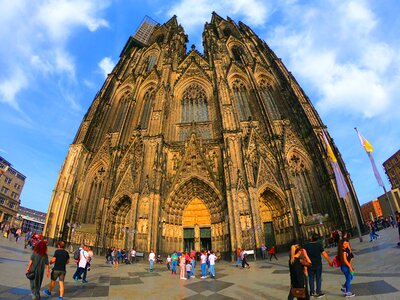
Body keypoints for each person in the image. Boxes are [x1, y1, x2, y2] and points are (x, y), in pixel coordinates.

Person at [303, 233, 333, 298]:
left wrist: (305, 266)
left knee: (311, 278)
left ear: (311, 238)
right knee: (318, 278)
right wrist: (329, 261)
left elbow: (304, 255)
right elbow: (324, 253)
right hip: (318, 264)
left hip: (309, 264)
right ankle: (318, 291)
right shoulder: (319, 245)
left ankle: (312, 292)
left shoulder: (306, 245)